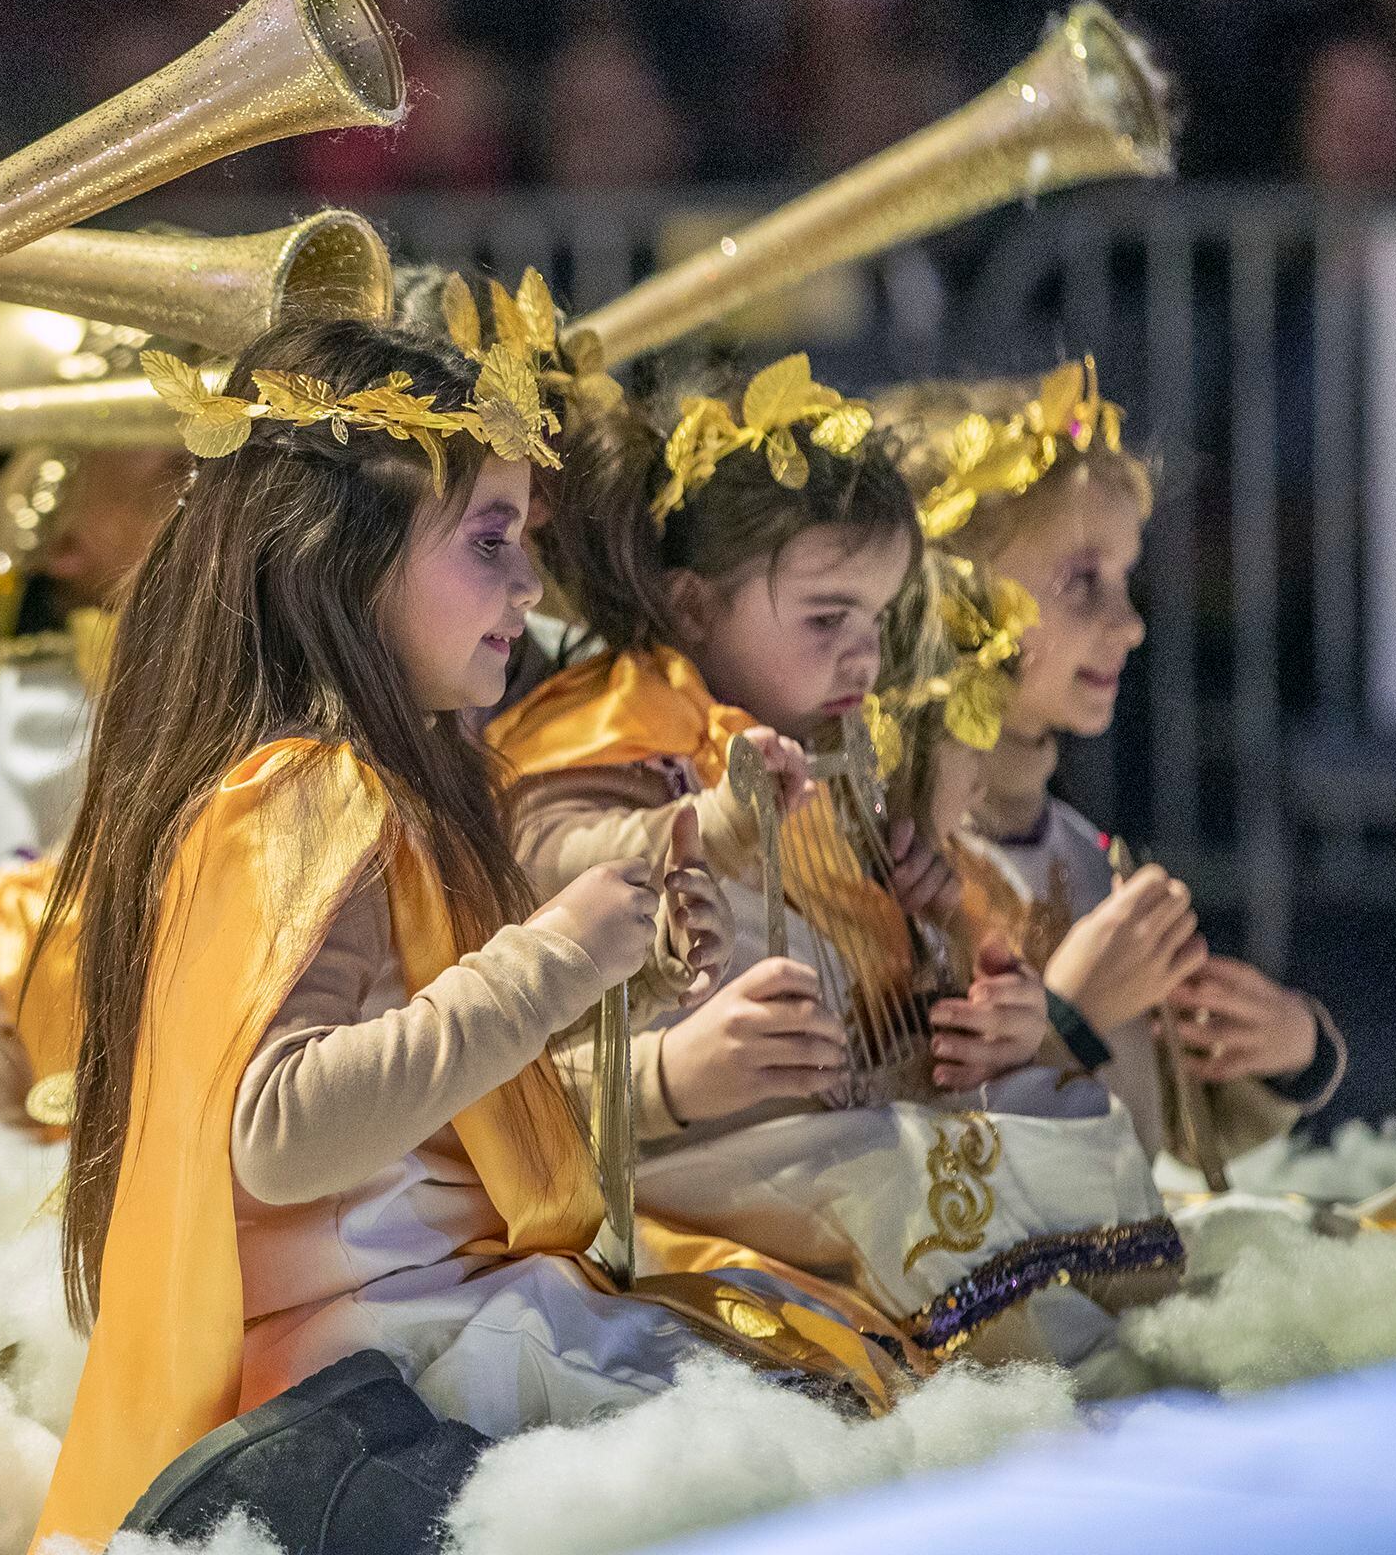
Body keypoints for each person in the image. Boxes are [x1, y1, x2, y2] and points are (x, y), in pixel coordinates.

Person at [34, 317, 895, 1549]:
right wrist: (552, 961)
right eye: (488, 540)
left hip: (436, 1318)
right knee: (836, 1437)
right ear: (344, 559)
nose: (529, 586)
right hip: (375, 1363)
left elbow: (432, 1112)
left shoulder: (368, 781)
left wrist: (616, 962)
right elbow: (277, 1135)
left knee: (831, 1363)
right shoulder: (300, 789)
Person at [483, 356, 1178, 1372]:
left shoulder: (827, 742)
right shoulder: (613, 733)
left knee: (1056, 1116)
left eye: (875, 619)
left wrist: (929, 925)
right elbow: (562, 851)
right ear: (690, 606)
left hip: (813, 1123)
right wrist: (701, 830)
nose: (861, 655)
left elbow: (865, 987)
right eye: (825, 618)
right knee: (900, 1177)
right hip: (683, 1155)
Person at [887, 364, 1348, 1169]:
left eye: (1126, 578)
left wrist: (1282, 1048)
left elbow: (1153, 1129)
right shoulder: (901, 858)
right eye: (1081, 582)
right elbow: (904, 1160)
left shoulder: (1074, 850)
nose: (1130, 624)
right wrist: (1071, 1017)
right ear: (950, 592)